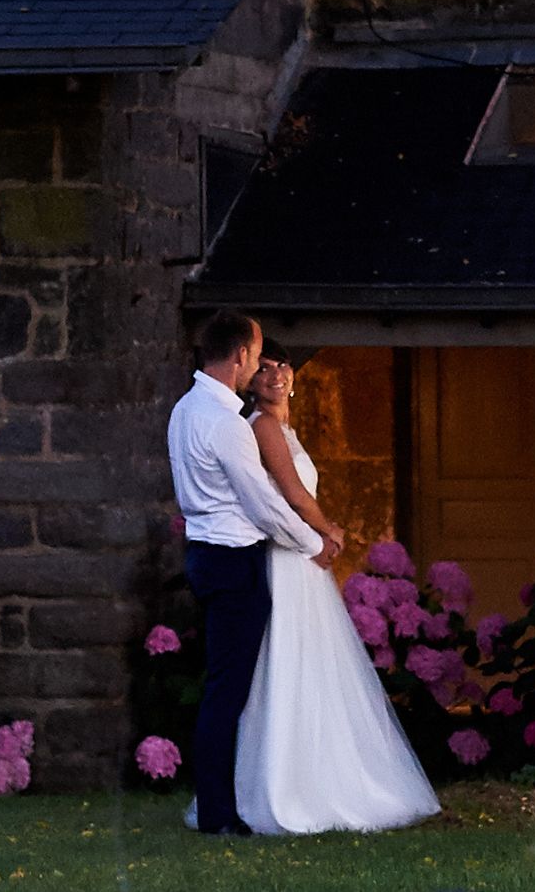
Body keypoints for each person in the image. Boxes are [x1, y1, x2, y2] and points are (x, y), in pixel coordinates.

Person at [229, 352, 440, 834]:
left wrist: (323, 535)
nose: (276, 375)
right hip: (287, 557)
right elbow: (292, 493)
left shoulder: (286, 429)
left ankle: (326, 775)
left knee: (316, 662)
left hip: (303, 558)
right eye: (264, 368)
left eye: (282, 366)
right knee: (289, 659)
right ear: (251, 381)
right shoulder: (261, 426)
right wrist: (331, 533)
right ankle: (286, 785)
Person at [168, 311, 319, 835]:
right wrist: (314, 542)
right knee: (229, 693)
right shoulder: (227, 424)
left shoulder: (184, 411)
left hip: (205, 555)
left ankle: (221, 805)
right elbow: (264, 506)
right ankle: (218, 814)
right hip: (233, 562)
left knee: (224, 688)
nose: (258, 366)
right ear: (238, 358)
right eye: (256, 357)